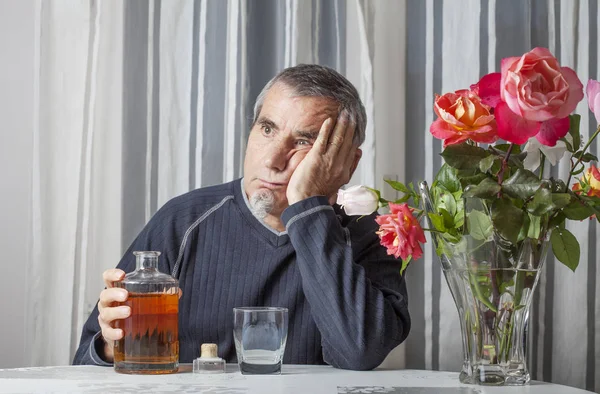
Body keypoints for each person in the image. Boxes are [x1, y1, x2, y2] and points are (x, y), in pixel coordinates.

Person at [73, 64, 410, 370]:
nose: (273, 159)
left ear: (347, 163)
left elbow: (361, 352)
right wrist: (108, 346)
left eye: (303, 141)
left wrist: (308, 207)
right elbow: (85, 363)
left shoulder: (371, 233)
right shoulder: (184, 220)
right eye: (267, 129)